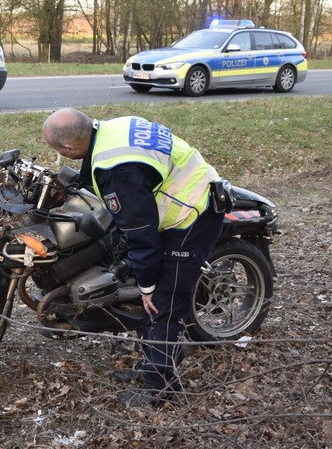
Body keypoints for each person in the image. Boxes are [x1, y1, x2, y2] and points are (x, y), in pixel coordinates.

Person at [42, 108, 226, 407]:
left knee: (163, 303)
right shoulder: (111, 130)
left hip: (192, 215)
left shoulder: (116, 170)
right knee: (156, 299)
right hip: (188, 189)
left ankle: (162, 390)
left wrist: (147, 285)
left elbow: (142, 233)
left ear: (70, 147)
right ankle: (157, 363)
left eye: (58, 153)